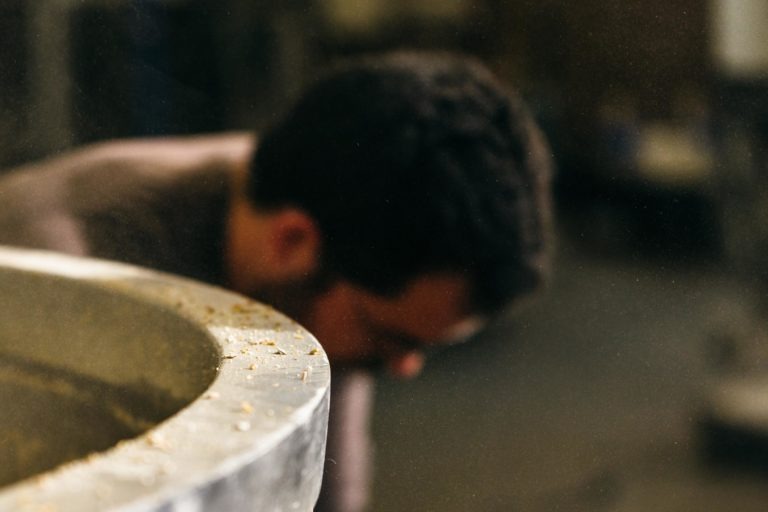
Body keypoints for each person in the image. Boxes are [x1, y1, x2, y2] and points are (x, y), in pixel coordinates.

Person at [0, 51, 554, 511]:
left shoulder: (331, 211)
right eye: (392, 340)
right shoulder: (54, 274)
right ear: (292, 242)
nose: (407, 368)